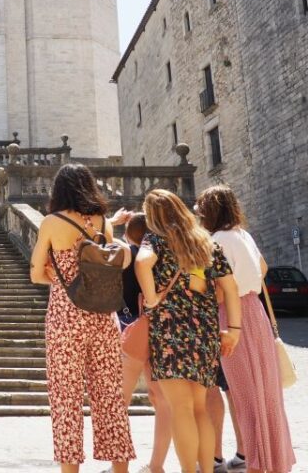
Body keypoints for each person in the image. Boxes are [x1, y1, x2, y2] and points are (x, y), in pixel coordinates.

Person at [30, 163, 136, 473]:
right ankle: (120, 468)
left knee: (66, 397)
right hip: (103, 315)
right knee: (110, 394)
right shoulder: (102, 222)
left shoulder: (52, 222)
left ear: (58, 190)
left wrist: (59, 278)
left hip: (66, 316)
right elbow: (108, 262)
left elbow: (36, 273)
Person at [135, 189, 242, 473]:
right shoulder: (204, 242)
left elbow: (142, 262)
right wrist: (234, 329)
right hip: (205, 332)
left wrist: (152, 297)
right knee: (199, 409)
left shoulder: (155, 239)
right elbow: (231, 287)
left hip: (169, 332)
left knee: (180, 409)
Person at [196, 186, 296, 473]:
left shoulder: (217, 240)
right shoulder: (243, 235)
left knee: (244, 395)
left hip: (231, 314)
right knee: (265, 393)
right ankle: (272, 459)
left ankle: (256, 462)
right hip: (256, 311)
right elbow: (262, 268)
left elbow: (217, 290)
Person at [111, 212, 172, 473]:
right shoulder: (161, 258)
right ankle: (157, 464)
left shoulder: (124, 255)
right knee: (162, 401)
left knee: (118, 402)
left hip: (129, 333)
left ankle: (119, 466)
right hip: (159, 331)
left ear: (128, 235)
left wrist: (111, 224)